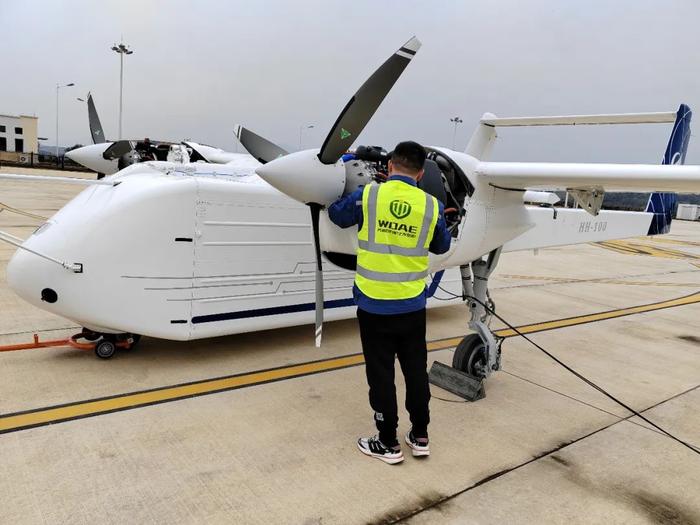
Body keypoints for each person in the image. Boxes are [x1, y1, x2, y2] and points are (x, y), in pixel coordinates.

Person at [328, 141, 452, 464]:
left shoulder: (369, 196)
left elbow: (336, 215)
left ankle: (387, 442)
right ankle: (420, 435)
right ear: (421, 173)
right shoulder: (430, 205)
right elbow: (442, 245)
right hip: (412, 306)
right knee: (415, 372)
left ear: (391, 166)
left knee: (381, 375)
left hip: (373, 307)